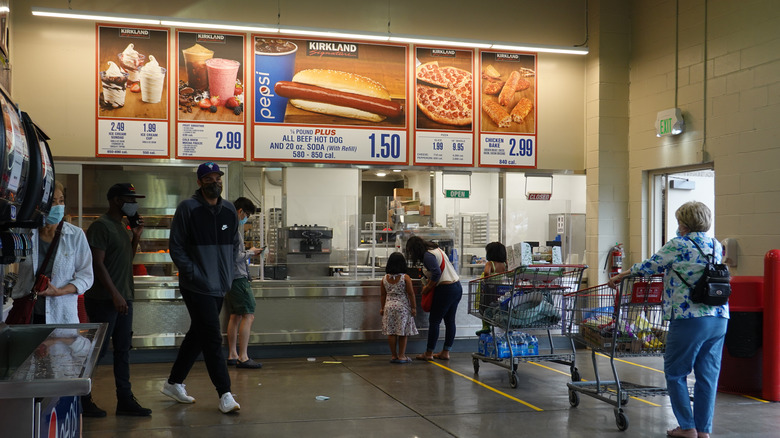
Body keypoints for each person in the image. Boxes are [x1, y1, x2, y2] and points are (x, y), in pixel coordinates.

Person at [608, 201, 728, 438]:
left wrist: (622, 274)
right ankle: (704, 430)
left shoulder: (679, 244)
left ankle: (686, 427)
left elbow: (649, 267)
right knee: (707, 377)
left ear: (683, 222)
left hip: (688, 317)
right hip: (718, 317)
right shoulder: (715, 245)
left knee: (675, 373)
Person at [162, 162, 241, 414]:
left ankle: (173, 383)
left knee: (198, 334)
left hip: (220, 285)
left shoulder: (229, 210)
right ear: (200, 182)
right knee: (211, 336)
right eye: (208, 178)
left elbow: (236, 246)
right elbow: (176, 247)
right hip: (196, 286)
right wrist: (195, 274)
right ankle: (225, 393)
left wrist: (227, 276)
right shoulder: (188, 209)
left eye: (218, 177)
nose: (214, 182)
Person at [83, 183, 151, 417]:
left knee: (123, 350)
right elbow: (97, 263)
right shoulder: (101, 226)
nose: (134, 204)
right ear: (116, 201)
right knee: (98, 352)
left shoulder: (121, 226)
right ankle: (83, 398)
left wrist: (135, 237)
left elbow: (127, 258)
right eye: (129, 199)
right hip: (104, 299)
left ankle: (125, 398)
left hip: (123, 298)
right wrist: (114, 294)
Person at [18, 181, 94, 325]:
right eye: (53, 202)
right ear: (40, 204)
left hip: (61, 314)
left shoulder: (75, 235)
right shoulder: (25, 233)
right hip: (28, 313)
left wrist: (60, 291)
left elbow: (86, 276)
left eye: (61, 201)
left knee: (59, 347)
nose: (58, 206)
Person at [405, 236, 462, 361]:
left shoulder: (427, 256)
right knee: (450, 321)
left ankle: (429, 353)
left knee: (434, 321)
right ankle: (446, 352)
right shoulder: (437, 250)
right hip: (456, 287)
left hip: (445, 289)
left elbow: (436, 273)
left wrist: (427, 288)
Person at [225, 197, 263, 369]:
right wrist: (251, 252)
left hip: (229, 279)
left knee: (235, 316)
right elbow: (236, 257)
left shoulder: (227, 227)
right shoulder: (234, 229)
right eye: (246, 214)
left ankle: (233, 354)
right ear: (240, 211)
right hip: (238, 279)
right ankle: (243, 356)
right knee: (249, 315)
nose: (246, 218)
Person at [380, 252, 418, 363]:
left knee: (391, 332)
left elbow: (383, 295)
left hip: (389, 307)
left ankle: (393, 355)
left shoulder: (384, 279)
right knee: (402, 332)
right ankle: (402, 356)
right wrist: (414, 307)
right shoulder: (405, 278)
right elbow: (411, 294)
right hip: (402, 307)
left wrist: (382, 308)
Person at [475, 241, 508, 335]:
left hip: (488, 289)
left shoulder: (490, 263)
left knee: (484, 306)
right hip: (499, 290)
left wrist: (486, 279)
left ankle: (485, 326)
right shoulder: (504, 264)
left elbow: (486, 272)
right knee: (496, 307)